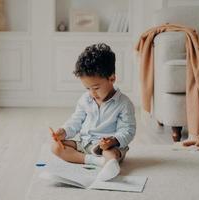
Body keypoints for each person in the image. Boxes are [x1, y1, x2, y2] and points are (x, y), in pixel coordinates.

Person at [51, 43, 136, 181]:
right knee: (56, 147)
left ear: (112, 78)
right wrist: (64, 131)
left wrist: (113, 141)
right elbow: (76, 121)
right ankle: (96, 161)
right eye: (87, 88)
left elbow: (128, 130)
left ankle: (108, 162)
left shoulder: (124, 104)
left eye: (96, 87)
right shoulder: (85, 100)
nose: (92, 93)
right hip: (84, 144)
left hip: (107, 147)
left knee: (111, 154)